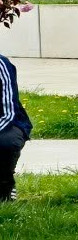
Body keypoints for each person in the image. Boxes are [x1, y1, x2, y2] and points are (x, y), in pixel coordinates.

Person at [0, 51, 29, 202]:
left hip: (7, 123)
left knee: (6, 142)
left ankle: (5, 186)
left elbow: (8, 113)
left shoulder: (1, 65)